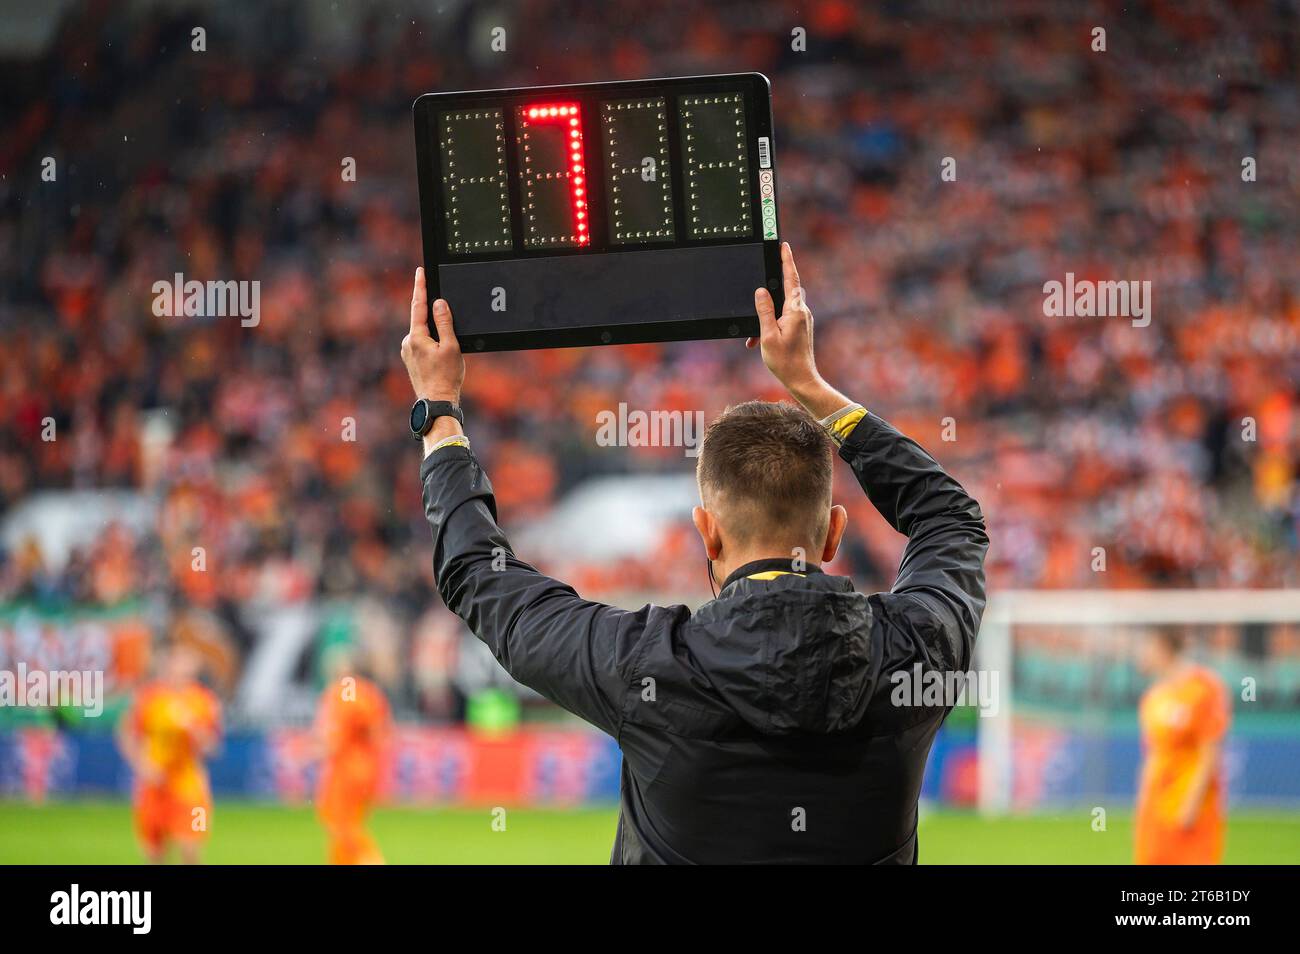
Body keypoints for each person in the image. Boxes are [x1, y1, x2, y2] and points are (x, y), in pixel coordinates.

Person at [401, 243, 989, 863]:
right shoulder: (915, 650)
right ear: (833, 532)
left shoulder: (649, 666)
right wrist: (811, 387)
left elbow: (478, 576)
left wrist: (440, 412)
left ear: (706, 532)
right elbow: (950, 517)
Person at [116, 642, 221, 864]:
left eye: (189, 660)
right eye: (179, 659)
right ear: (168, 663)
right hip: (154, 786)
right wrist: (141, 765)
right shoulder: (150, 698)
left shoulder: (204, 700)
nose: (183, 666)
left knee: (192, 848)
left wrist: (197, 732)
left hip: (191, 787)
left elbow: (213, 748)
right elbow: (126, 733)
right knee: (155, 855)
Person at [1135, 630, 1230, 864]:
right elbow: (1153, 755)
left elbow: (1210, 755)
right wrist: (1142, 804)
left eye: (1145, 646)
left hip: (1190, 807)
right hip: (1156, 808)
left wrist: (1191, 805)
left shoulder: (1203, 689)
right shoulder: (1152, 698)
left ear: (1163, 646)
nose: (1140, 654)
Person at [314, 652, 391, 865]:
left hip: (345, 769)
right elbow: (380, 733)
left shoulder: (338, 694)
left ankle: (372, 861)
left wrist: (306, 753)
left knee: (342, 825)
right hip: (367, 767)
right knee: (348, 823)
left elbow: (332, 741)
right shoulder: (371, 693)